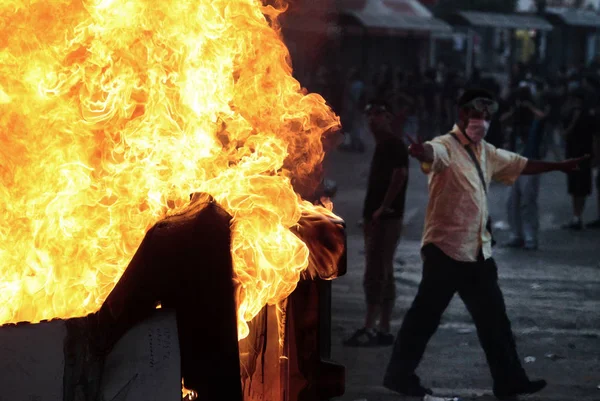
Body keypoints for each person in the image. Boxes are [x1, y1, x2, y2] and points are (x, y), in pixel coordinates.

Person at [382, 88, 589, 399]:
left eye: (487, 116)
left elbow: (521, 164)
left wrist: (559, 166)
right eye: (477, 115)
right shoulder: (445, 146)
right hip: (445, 250)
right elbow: (431, 154)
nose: (483, 121)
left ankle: (510, 381)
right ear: (463, 115)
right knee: (424, 318)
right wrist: (421, 151)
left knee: (495, 323)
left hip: (477, 253)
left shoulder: (486, 152)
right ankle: (399, 375)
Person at [344, 100, 409, 347]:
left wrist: (383, 208)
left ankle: (370, 327)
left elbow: (400, 175)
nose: (373, 119)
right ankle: (383, 327)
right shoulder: (383, 145)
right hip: (381, 218)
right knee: (385, 270)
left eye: (378, 113)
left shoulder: (393, 144)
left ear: (389, 117)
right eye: (369, 114)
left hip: (386, 219)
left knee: (375, 272)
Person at [504, 83, 550, 250]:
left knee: (528, 201)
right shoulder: (515, 116)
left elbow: (541, 117)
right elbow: (502, 121)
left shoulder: (535, 119)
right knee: (511, 200)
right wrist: (516, 110)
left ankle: (530, 236)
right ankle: (516, 234)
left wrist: (529, 108)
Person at [561, 88, 594, 230]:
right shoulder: (568, 115)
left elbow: (594, 137)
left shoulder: (588, 116)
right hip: (572, 154)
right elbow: (564, 134)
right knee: (574, 186)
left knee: (582, 187)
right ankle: (576, 216)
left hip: (584, 154)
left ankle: (578, 215)